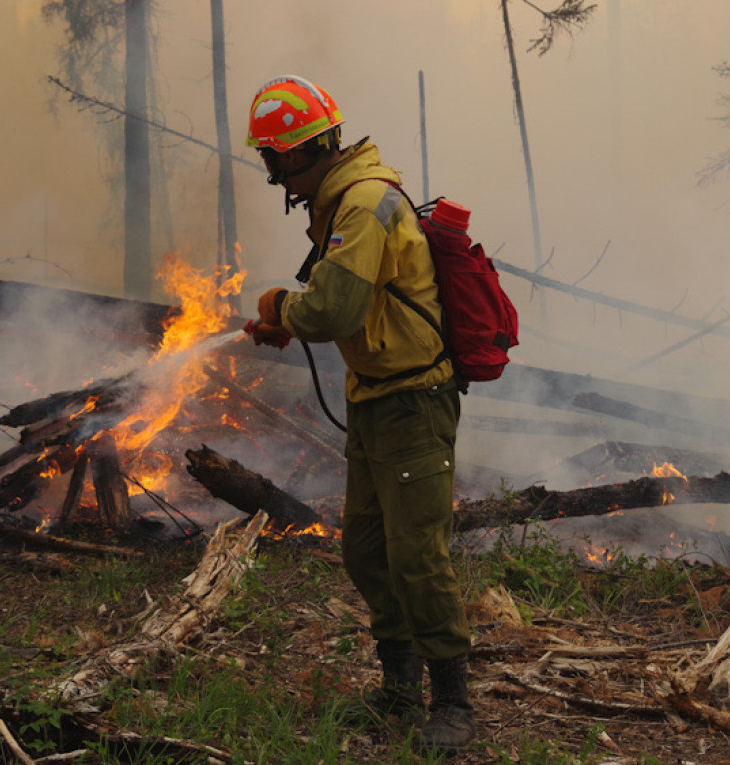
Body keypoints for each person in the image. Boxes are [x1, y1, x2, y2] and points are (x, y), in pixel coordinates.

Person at [245, 75, 475, 752]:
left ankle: (453, 703)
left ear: (296, 153)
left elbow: (335, 309)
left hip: (413, 401)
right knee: (367, 549)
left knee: (417, 555)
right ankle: (399, 688)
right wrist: (294, 318)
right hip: (376, 399)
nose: (272, 174)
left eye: (272, 158)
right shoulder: (345, 201)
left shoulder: (364, 204)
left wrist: (281, 309)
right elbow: (354, 301)